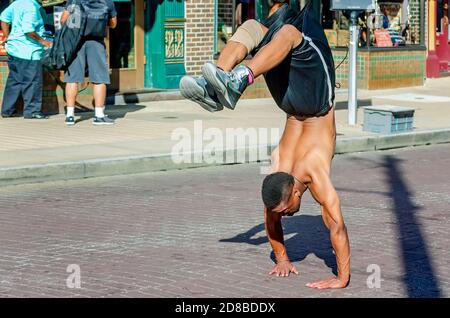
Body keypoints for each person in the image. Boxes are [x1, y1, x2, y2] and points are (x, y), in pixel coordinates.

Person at [179, 3, 350, 289]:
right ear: (295, 192)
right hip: (313, 99)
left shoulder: (281, 169)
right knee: (278, 32)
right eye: (286, 212)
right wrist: (284, 259)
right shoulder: (302, 176)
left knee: (263, 30)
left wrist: (339, 277)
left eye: (285, 211)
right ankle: (220, 82)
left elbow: (334, 227)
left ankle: (225, 80)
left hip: (294, 99)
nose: (286, 214)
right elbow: (331, 227)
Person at [60, 0, 117, 126]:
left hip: (75, 42)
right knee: (99, 78)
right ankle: (99, 115)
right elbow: (113, 24)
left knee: (72, 78)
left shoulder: (74, 0)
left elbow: (63, 20)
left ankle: (70, 116)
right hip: (96, 41)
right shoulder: (108, 2)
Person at [0, 0, 52, 119]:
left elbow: (3, 18)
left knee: (15, 81)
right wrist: (43, 41)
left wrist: (7, 36)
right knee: (33, 81)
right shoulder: (31, 7)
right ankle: (32, 111)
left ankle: (7, 110)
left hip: (14, 49)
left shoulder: (18, 2)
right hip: (28, 51)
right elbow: (28, 30)